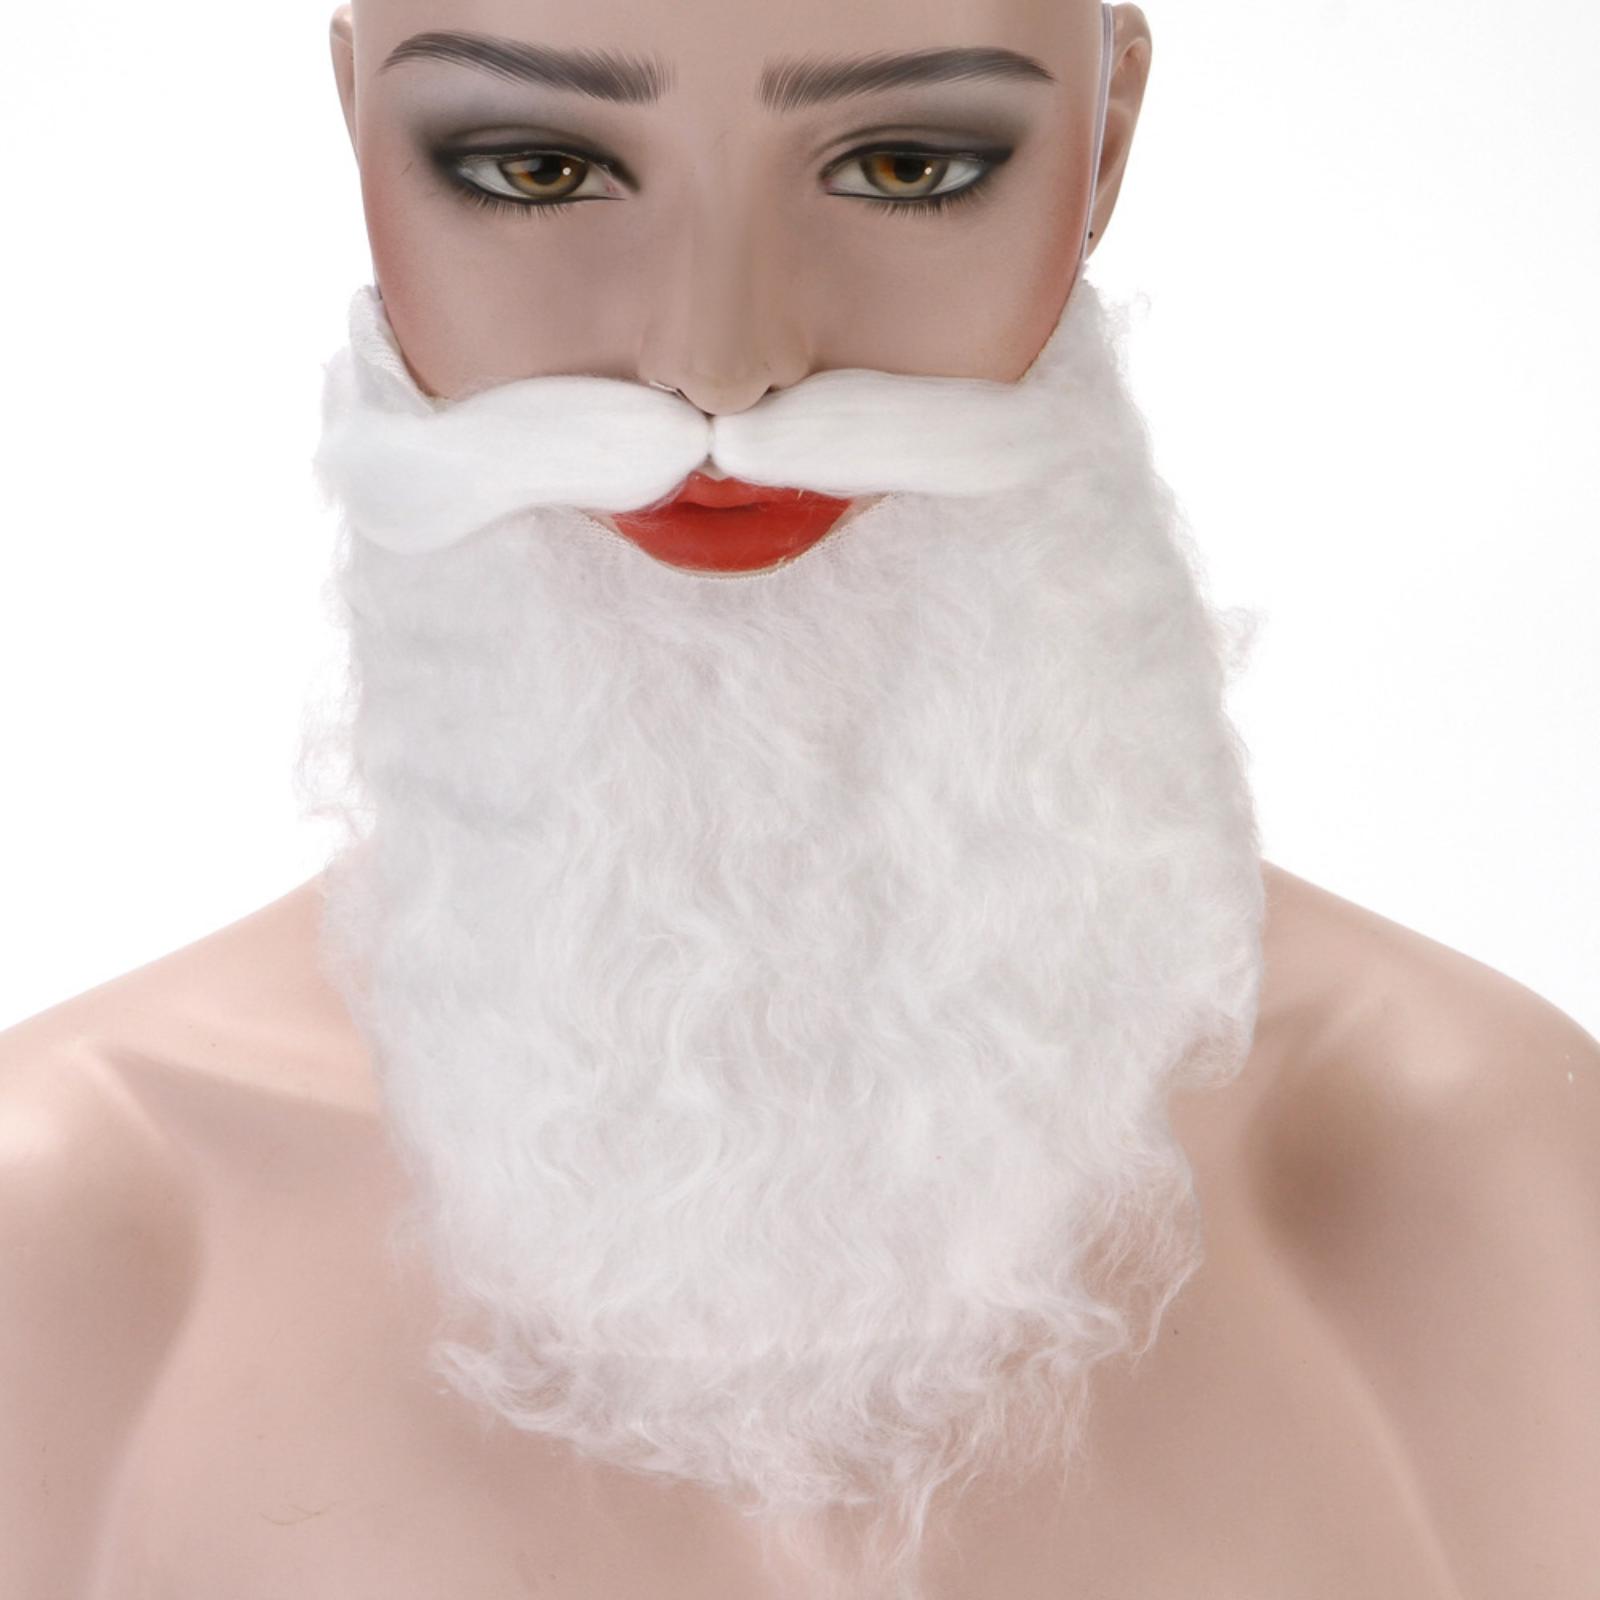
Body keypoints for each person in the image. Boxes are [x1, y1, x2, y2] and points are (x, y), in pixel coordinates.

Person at [2, 1, 1596, 1596]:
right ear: (361, 134)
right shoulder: (66, 1227)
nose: (722, 364)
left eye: (905, 165)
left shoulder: (1478, 1168)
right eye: (538, 167)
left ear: (1103, 146)